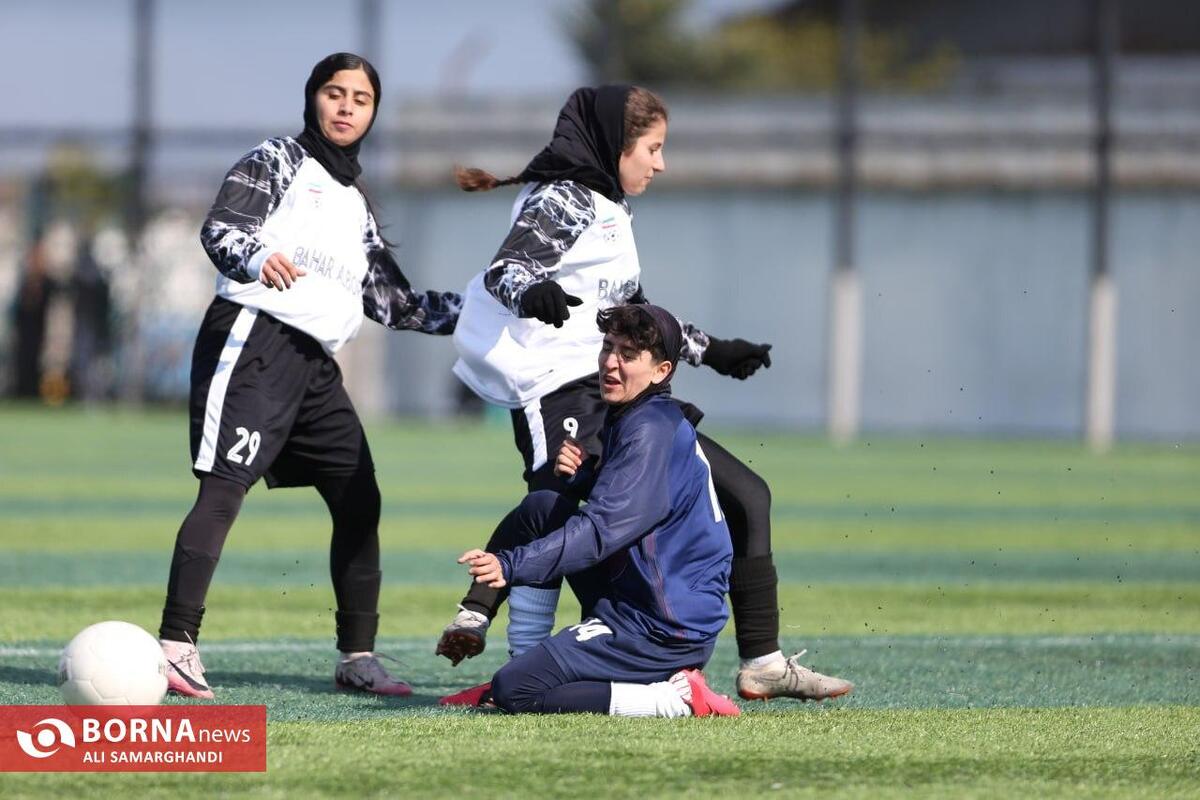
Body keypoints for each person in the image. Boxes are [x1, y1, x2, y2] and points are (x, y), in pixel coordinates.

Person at [437, 84, 851, 702]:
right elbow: (506, 270)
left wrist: (712, 350)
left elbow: (636, 318)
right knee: (556, 506)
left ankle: (762, 661)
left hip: (621, 395)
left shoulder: (610, 205)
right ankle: (501, 635)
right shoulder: (567, 200)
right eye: (653, 148)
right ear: (616, 143)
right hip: (560, 388)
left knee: (748, 496)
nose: (661, 163)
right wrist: (531, 293)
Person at [157, 52, 462, 699]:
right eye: (335, 92)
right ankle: (176, 646)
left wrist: (493, 311)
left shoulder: (356, 203)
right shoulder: (279, 161)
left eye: (361, 97)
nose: (347, 106)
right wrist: (257, 254)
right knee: (223, 489)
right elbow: (222, 229)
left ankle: (357, 658)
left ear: (374, 112)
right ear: (313, 99)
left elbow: (396, 305)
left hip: (315, 369)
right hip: (254, 343)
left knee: (360, 497)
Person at [456, 305, 738, 717]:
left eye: (628, 354)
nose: (610, 362)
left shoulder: (648, 429)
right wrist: (585, 478)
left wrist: (510, 565)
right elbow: (642, 508)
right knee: (543, 507)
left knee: (516, 690)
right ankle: (529, 660)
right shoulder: (636, 415)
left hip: (661, 630)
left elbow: (603, 529)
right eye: (608, 347)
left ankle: (675, 699)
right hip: (653, 605)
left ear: (661, 371)